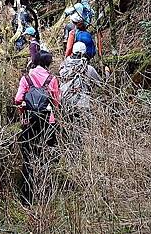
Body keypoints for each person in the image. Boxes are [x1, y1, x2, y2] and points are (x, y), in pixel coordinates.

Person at [15, 50, 60, 204]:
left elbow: (18, 99)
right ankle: (46, 193)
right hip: (48, 122)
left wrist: (25, 109)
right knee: (46, 156)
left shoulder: (26, 78)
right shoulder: (52, 79)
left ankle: (27, 197)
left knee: (28, 158)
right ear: (48, 63)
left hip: (29, 123)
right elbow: (56, 103)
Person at [59, 42, 102, 112]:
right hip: (82, 103)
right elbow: (100, 84)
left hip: (64, 101)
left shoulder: (63, 67)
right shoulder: (88, 68)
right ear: (83, 53)